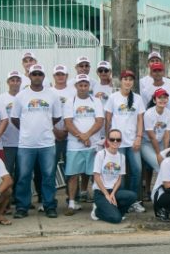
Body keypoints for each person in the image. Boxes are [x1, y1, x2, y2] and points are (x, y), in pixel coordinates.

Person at [10, 64, 63, 219]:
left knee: (48, 176)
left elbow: (57, 116)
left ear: (44, 76)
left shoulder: (52, 95)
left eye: (40, 74)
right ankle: (22, 207)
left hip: (47, 143)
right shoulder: (21, 96)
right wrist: (27, 128)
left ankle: (49, 206)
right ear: (30, 76)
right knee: (24, 177)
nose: (37, 76)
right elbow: (14, 118)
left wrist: (45, 126)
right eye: (34, 74)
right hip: (26, 144)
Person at [103, 70, 147, 214]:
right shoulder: (113, 98)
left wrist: (139, 137)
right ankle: (119, 201)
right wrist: (107, 140)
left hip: (133, 141)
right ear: (120, 81)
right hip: (117, 142)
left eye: (130, 79)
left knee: (137, 171)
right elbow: (108, 119)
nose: (128, 82)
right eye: (125, 79)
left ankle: (133, 201)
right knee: (118, 173)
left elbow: (140, 119)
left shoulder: (138, 99)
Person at [62, 74, 104, 214]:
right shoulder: (70, 101)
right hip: (75, 145)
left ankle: (98, 202)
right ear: (76, 86)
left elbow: (99, 121)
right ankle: (72, 203)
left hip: (93, 144)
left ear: (89, 86)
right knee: (73, 175)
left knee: (95, 174)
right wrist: (82, 137)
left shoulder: (96, 101)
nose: (83, 87)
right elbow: (68, 123)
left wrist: (88, 136)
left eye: (85, 85)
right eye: (80, 85)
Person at [91, 130, 137, 223]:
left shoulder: (121, 157)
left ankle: (117, 212)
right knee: (116, 219)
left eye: (118, 139)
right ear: (107, 140)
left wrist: (112, 194)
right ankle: (97, 212)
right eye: (112, 139)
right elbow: (96, 176)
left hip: (114, 191)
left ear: (121, 141)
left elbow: (119, 178)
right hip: (101, 192)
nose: (115, 142)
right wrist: (107, 195)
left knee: (133, 196)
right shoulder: (101, 154)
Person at [0, 71, 23, 207]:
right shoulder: (1, 99)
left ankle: (19, 200)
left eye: (17, 80)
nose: (15, 83)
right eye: (12, 80)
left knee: (21, 173)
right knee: (6, 172)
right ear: (8, 82)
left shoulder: (25, 96)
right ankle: (6, 201)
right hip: (6, 142)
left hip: (23, 142)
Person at [142, 87, 170, 183]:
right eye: (160, 98)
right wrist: (159, 154)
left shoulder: (169, 113)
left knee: (167, 163)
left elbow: (167, 134)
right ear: (155, 100)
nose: (162, 100)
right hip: (147, 143)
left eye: (165, 97)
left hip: (160, 142)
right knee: (159, 164)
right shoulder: (148, 113)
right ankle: (160, 189)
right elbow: (151, 136)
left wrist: (165, 151)